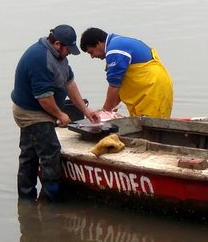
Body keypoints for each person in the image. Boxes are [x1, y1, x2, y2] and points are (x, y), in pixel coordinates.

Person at [12, 24, 98, 201]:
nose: (69, 54)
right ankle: (52, 199)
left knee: (30, 154)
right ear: (57, 44)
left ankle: (27, 203)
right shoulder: (40, 59)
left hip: (42, 108)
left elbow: (70, 84)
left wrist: (85, 109)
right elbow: (44, 98)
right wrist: (60, 115)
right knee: (50, 151)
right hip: (32, 112)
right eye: (69, 49)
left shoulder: (59, 57)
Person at [79, 28, 174, 118]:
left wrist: (105, 111)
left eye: (91, 52)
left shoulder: (114, 50)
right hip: (157, 86)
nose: (92, 56)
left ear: (99, 43)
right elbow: (119, 85)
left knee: (151, 129)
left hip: (152, 90)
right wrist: (110, 108)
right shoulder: (118, 43)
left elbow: (114, 85)